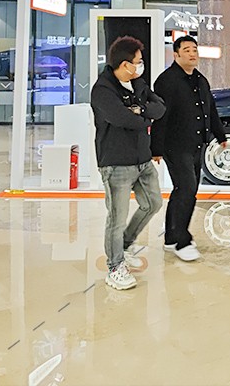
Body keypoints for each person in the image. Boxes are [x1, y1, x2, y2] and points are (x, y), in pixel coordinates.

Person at [91, 36, 165, 290]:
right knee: (117, 217)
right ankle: (115, 267)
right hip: (116, 163)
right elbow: (122, 119)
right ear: (125, 64)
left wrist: (140, 110)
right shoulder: (103, 90)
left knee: (153, 203)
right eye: (138, 61)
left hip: (142, 159)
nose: (140, 66)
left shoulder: (138, 83)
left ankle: (123, 245)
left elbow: (159, 107)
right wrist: (143, 116)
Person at [151, 36, 228, 262]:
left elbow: (210, 110)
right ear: (176, 55)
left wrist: (220, 135)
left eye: (195, 49)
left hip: (197, 144)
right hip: (175, 146)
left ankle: (171, 237)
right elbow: (160, 116)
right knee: (186, 189)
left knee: (184, 191)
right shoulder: (166, 81)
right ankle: (182, 241)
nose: (192, 53)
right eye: (186, 50)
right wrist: (155, 148)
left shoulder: (200, 80)